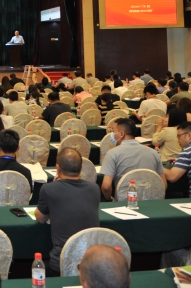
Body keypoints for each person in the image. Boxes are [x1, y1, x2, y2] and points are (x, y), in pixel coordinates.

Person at [35, 148, 101, 276]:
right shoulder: (95, 188)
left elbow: (41, 218)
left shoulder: (48, 189)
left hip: (62, 262)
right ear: (81, 168)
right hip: (91, 262)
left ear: (57, 168)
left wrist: (53, 188)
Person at [100, 118, 165, 201]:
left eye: (113, 131)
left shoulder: (112, 154)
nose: (111, 134)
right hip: (151, 203)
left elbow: (106, 186)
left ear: (121, 134)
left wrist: (110, 199)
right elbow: (163, 184)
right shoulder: (154, 153)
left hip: (124, 203)